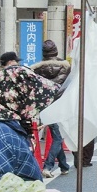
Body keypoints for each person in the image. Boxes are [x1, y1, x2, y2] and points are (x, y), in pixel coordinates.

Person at [31, 39, 71, 177]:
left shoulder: (36, 69)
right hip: (60, 105)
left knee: (56, 135)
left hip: (44, 105)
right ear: (56, 51)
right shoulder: (66, 67)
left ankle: (64, 165)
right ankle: (47, 166)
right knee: (58, 137)